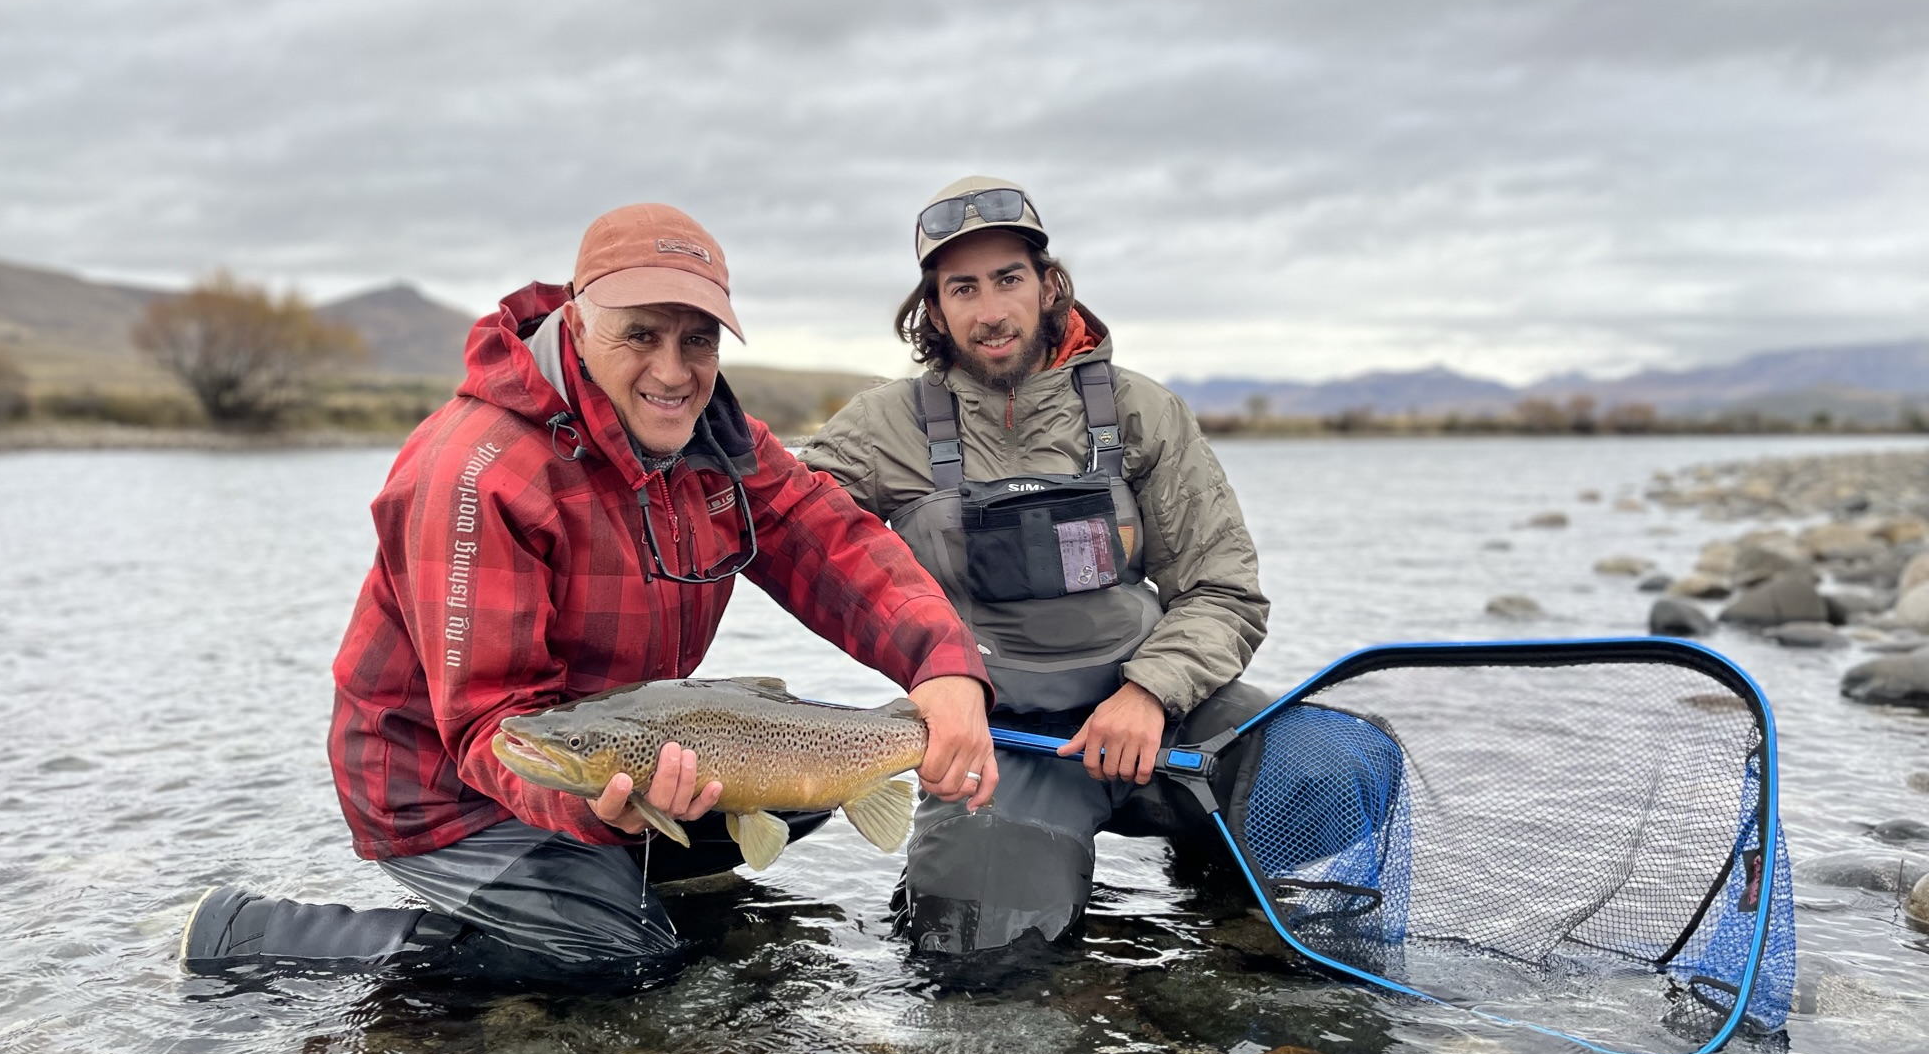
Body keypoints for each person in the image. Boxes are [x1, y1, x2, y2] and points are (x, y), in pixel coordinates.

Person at [181, 203, 996, 983]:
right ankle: (256, 932)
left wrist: (944, 667)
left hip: (615, 744)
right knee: (621, 958)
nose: (673, 372)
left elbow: (836, 546)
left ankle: (621, 879)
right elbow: (492, 728)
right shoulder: (479, 473)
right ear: (574, 324)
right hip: (450, 790)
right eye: (640, 334)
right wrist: (602, 813)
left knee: (796, 793)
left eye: (698, 340)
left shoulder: (716, 443)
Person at [801, 177, 1271, 954]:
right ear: (934, 308)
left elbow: (1225, 591)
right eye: (963, 287)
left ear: (1049, 286)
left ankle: (1222, 882)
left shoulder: (1141, 411)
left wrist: (1150, 692)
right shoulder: (883, 426)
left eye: (1009, 279)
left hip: (1162, 722)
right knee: (972, 953)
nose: (990, 311)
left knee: (1335, 773)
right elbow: (779, 526)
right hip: (1000, 746)